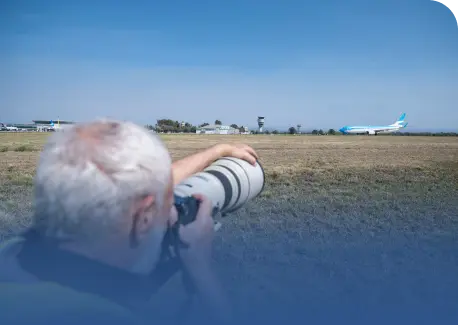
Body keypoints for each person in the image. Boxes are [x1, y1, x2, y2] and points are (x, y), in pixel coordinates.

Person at [0, 119, 259, 325]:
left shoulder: (14, 252)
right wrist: (201, 269)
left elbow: (151, 183)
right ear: (144, 218)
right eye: (164, 208)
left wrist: (218, 151)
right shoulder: (101, 316)